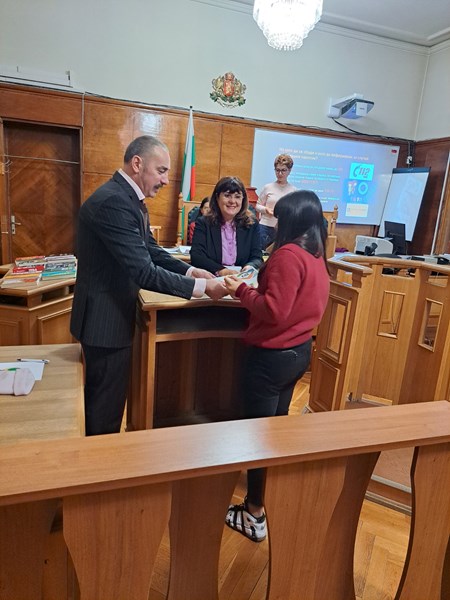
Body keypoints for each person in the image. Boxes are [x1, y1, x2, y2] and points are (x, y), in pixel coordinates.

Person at [70, 135, 226, 436]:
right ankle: (98, 462)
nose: (166, 180)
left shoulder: (129, 198)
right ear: (137, 163)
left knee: (108, 401)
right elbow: (144, 271)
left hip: (112, 315)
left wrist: (192, 271)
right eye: (161, 170)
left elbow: (151, 250)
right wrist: (202, 288)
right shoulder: (115, 201)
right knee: (104, 409)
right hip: (104, 321)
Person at [223, 190, 330, 542]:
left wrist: (241, 290)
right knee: (273, 433)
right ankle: (266, 499)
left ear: (292, 221)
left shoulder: (287, 255)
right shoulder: (317, 255)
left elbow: (273, 310)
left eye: (280, 218)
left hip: (271, 357)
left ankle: (254, 513)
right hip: (298, 353)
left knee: (258, 436)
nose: (275, 223)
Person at [190, 176, 263, 276]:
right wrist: (221, 271)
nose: (232, 201)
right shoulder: (204, 223)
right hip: (212, 277)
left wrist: (249, 267)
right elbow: (197, 256)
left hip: (241, 278)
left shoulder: (252, 224)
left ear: (243, 199)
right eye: (227, 195)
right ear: (217, 197)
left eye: (237, 196)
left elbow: (257, 257)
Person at [256, 154, 297, 249]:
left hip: (283, 230)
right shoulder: (268, 187)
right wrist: (266, 210)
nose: (280, 173)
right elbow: (257, 206)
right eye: (277, 170)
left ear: (289, 171)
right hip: (265, 227)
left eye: (283, 170)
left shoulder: (293, 190)